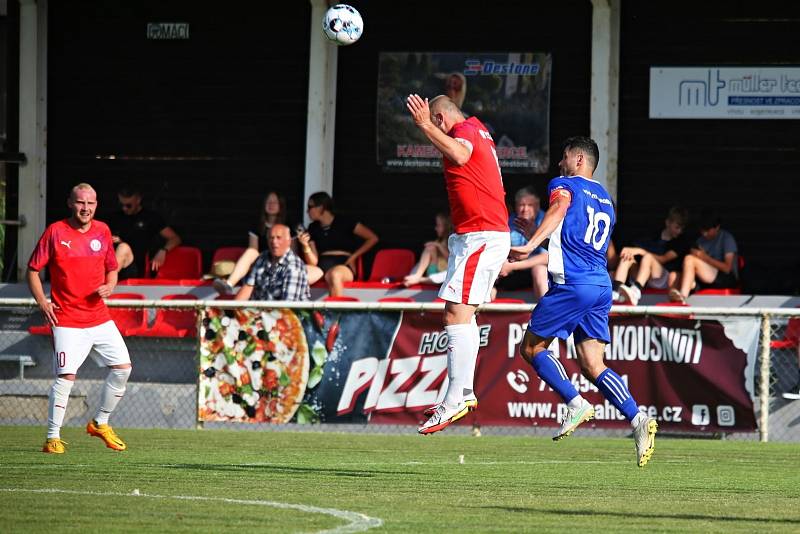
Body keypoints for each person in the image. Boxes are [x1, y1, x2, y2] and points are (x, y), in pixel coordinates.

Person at [510, 136, 657, 467]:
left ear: (578, 161)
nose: (559, 163)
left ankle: (575, 403)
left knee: (531, 348)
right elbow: (575, 232)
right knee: (593, 365)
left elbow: (561, 209)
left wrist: (530, 242)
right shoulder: (607, 200)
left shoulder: (563, 184)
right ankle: (638, 420)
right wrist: (537, 227)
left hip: (573, 284)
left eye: (564, 157)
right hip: (601, 285)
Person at [405, 93, 510, 435]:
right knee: (461, 314)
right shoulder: (476, 127)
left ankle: (457, 397)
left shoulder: (464, 130)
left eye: (432, 124)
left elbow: (461, 154)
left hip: (481, 234)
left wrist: (422, 126)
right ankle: (461, 392)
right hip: (474, 236)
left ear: (440, 118)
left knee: (455, 312)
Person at [28, 183, 131, 454]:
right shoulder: (56, 231)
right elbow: (32, 270)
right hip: (67, 319)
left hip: (99, 316)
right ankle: (52, 437)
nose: (86, 208)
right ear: (70, 203)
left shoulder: (103, 230)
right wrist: (42, 301)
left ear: (96, 205)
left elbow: (112, 268)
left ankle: (100, 422)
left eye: (91, 203)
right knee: (66, 377)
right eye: (80, 203)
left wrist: (110, 285)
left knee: (123, 368)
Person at [297, 192, 379, 297]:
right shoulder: (313, 228)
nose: (307, 211)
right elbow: (313, 262)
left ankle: (335, 313)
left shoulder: (345, 221)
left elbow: (372, 238)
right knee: (298, 275)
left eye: (310, 207)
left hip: (344, 264)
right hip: (321, 267)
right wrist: (305, 246)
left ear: (321, 207)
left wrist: (354, 256)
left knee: (334, 275)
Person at [214, 191, 292, 295]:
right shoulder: (257, 226)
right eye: (268, 202)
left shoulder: (288, 226)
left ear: (281, 206)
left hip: (281, 263)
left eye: (274, 202)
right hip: (262, 263)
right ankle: (229, 284)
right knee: (251, 251)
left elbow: (292, 252)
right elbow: (253, 250)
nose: (271, 205)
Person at [613, 206, 692, 306]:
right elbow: (637, 246)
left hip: (662, 278)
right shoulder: (653, 236)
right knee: (627, 258)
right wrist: (630, 251)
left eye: (682, 228)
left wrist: (639, 251)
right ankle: (614, 294)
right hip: (644, 276)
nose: (679, 231)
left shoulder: (680, 242)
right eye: (677, 227)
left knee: (648, 258)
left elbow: (662, 259)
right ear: (668, 223)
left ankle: (635, 291)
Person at [108, 186, 181, 279]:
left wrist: (163, 250)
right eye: (121, 205)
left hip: (136, 267)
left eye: (128, 205)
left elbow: (175, 238)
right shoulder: (114, 217)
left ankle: (105, 280)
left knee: (123, 248)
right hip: (113, 263)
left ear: (138, 200)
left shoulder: (151, 217)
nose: (124, 208)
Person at [670, 209, 738, 303]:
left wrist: (704, 257)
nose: (705, 234)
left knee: (690, 259)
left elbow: (727, 268)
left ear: (717, 227)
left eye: (708, 230)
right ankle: (672, 304)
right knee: (673, 275)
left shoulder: (726, 238)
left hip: (723, 278)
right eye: (702, 231)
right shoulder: (700, 241)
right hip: (703, 278)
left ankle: (683, 296)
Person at [494, 186, 549, 300]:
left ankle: (546, 314)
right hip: (512, 271)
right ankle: (482, 314)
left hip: (534, 272)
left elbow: (547, 257)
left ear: (537, 206)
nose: (525, 209)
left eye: (530, 205)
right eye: (521, 205)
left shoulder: (546, 221)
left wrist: (512, 265)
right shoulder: (509, 221)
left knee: (539, 270)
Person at [234, 224, 311, 302]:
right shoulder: (262, 257)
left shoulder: (294, 266)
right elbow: (248, 286)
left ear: (289, 241)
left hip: (287, 312)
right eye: (271, 238)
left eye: (279, 238)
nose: (274, 241)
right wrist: (233, 309)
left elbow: (287, 305)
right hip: (259, 310)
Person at [403, 212, 453, 286]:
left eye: (438, 226)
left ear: (446, 226)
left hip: (444, 277)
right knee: (430, 247)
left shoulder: (452, 241)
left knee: (446, 275)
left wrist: (438, 246)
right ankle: (417, 275)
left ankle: (419, 279)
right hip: (433, 272)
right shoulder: (438, 242)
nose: (436, 228)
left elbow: (451, 260)